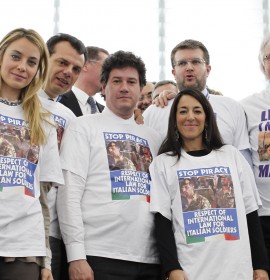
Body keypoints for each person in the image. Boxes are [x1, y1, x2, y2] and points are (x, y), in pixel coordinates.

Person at [57, 50, 162, 280]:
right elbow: (69, 193)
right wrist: (76, 256)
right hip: (98, 256)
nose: (124, 87)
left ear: (140, 88)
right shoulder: (82, 127)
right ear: (103, 87)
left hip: (150, 261)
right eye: (117, 81)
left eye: (131, 82)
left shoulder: (154, 138)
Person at [149, 88, 269, 280]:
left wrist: (261, 265)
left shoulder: (232, 156)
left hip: (238, 270)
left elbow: (251, 214)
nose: (190, 117)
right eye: (183, 111)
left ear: (207, 118)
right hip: (192, 271)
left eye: (197, 111)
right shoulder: (163, 163)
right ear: (174, 119)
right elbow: (162, 223)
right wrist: (172, 268)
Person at [0, 28, 64, 280]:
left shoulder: (43, 122)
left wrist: (45, 260)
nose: (22, 67)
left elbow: (42, 199)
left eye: (31, 62)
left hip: (23, 249)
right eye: (15, 57)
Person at [144, 39, 252, 166]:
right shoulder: (156, 110)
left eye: (196, 62)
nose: (189, 68)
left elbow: (244, 162)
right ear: (173, 72)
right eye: (182, 63)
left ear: (208, 69)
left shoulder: (231, 107)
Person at [38, 33, 87, 280]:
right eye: (62, 63)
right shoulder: (12, 101)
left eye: (76, 68)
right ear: (44, 58)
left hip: (52, 233)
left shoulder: (70, 118)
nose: (68, 72)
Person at [241, 29, 270, 280]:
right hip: (267, 220)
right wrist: (168, 96)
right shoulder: (247, 107)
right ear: (262, 65)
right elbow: (208, 110)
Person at [59, 46, 108, 116]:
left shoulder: (105, 112)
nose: (109, 74)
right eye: (106, 67)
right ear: (85, 66)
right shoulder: (58, 101)